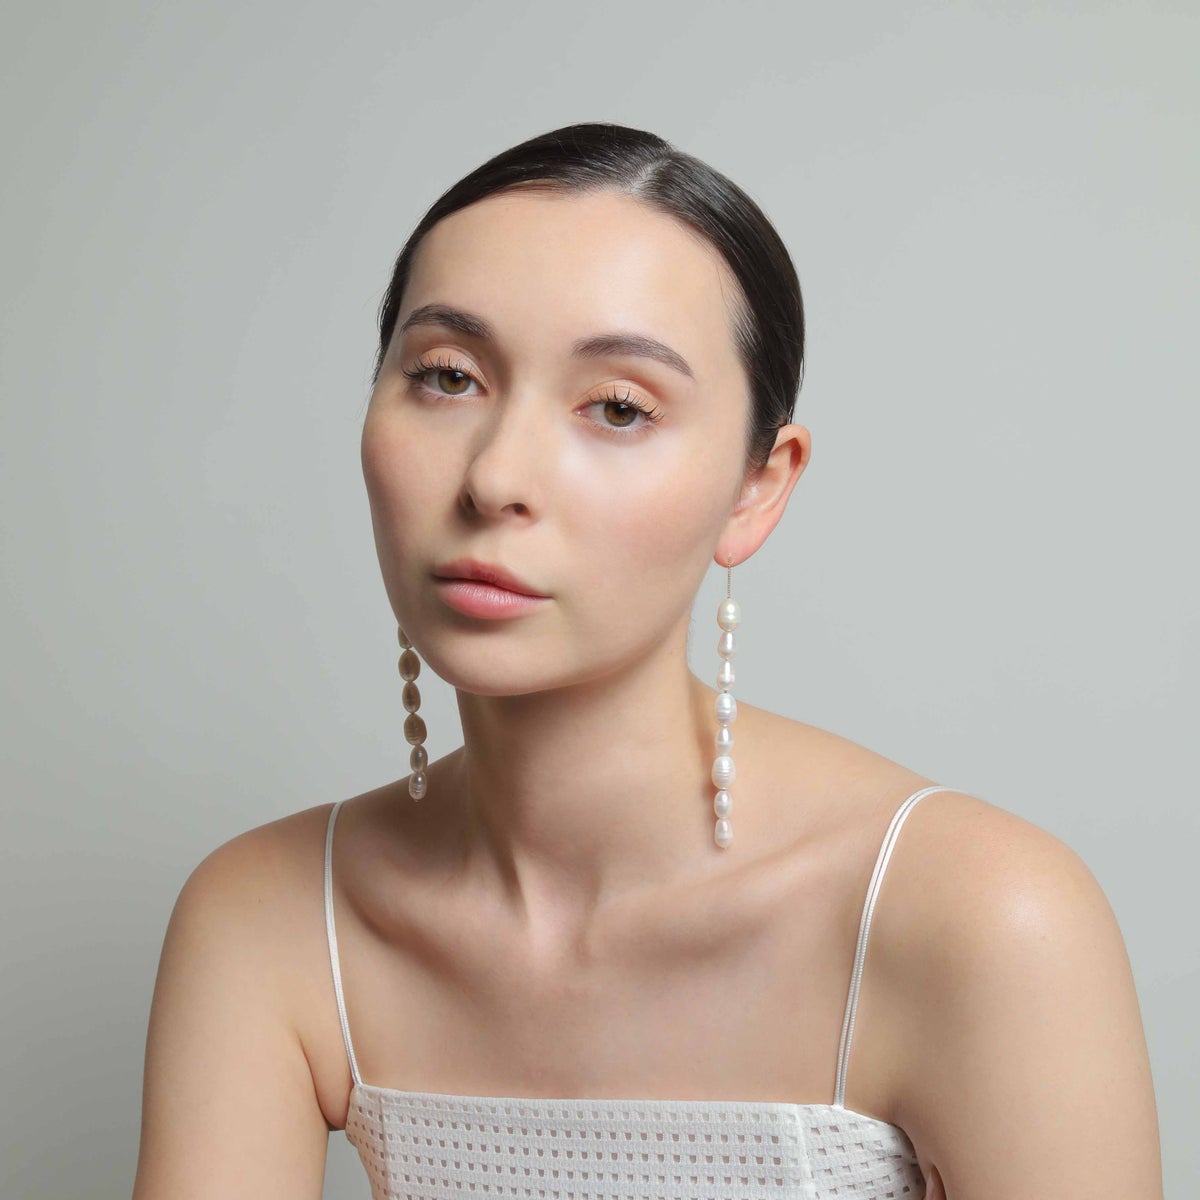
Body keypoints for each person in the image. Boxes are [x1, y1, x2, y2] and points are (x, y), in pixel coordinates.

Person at [131, 122, 1162, 1199]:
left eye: (618, 408)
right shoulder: (271, 919)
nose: (495, 478)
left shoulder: (979, 919)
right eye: (446, 377)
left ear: (758, 487)